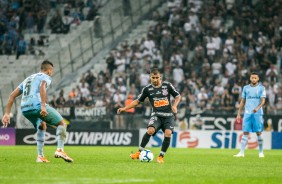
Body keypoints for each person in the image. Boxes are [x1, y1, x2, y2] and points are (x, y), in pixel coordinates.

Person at [2, 60, 73, 163]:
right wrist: (43, 106)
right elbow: (42, 86)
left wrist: (7, 113)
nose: (51, 73)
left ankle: (40, 156)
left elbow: (12, 95)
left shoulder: (28, 79)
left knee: (42, 125)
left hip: (25, 109)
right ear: (49, 70)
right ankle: (60, 150)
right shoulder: (46, 77)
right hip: (37, 105)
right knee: (62, 123)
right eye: (51, 71)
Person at [117, 68, 181, 163]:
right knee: (150, 130)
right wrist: (125, 108)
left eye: (157, 77)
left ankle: (160, 157)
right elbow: (137, 101)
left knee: (167, 133)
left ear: (160, 77)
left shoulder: (167, 86)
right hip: (156, 115)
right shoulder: (147, 89)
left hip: (168, 116)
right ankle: (138, 153)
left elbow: (178, 96)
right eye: (153, 78)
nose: (155, 80)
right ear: (150, 77)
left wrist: (175, 105)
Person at [233, 72, 266, 158]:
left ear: (258, 79)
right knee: (245, 132)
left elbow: (263, 101)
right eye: (252, 78)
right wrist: (239, 113)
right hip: (247, 113)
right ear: (250, 78)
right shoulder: (246, 88)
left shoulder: (262, 88)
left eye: (255, 78)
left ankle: (261, 152)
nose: (253, 79)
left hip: (257, 113)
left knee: (258, 132)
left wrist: (257, 108)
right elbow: (243, 101)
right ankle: (241, 152)